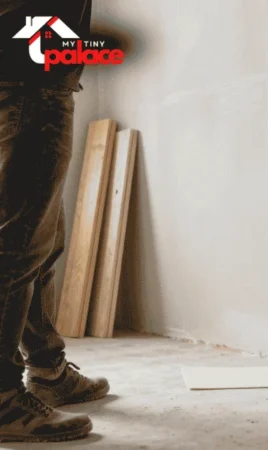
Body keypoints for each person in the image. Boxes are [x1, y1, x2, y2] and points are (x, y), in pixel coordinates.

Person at [0, 0, 109, 442]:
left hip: (32, 80)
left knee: (40, 240)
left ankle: (47, 366)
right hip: (29, 84)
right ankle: (4, 400)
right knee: (19, 245)